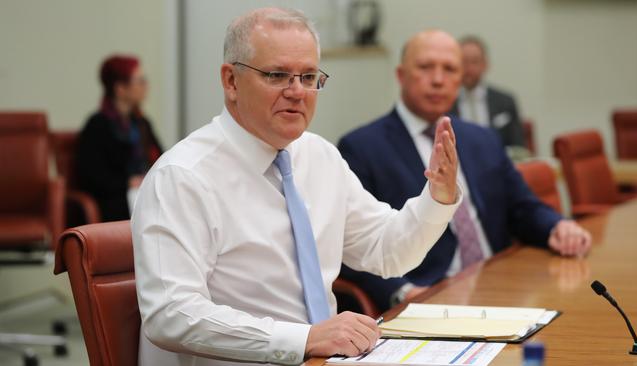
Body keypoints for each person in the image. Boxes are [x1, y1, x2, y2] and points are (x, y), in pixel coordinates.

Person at [132, 8, 461, 366]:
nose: (297, 92)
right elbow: (171, 314)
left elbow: (387, 251)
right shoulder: (182, 176)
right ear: (230, 81)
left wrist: (437, 199)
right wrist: (303, 339)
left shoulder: (319, 156)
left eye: (308, 77)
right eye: (277, 75)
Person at [337, 30, 592, 313]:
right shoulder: (362, 147)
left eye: (449, 69)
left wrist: (557, 226)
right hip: (430, 293)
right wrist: (401, 291)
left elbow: (522, 207)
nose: (437, 79)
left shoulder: (482, 139)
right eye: (425, 67)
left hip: (499, 281)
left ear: (461, 79)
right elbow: (352, 243)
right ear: (400, 75)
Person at [77, 55, 162, 222]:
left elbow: (161, 158)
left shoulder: (141, 123)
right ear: (120, 88)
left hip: (144, 191)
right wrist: (128, 182)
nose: (145, 86)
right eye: (139, 81)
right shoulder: (97, 126)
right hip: (115, 201)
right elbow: (92, 176)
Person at [449, 35, 525, 149]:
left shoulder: (505, 102)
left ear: (485, 64)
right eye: (464, 62)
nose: (468, 68)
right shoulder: (445, 102)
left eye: (474, 62)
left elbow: (518, 148)